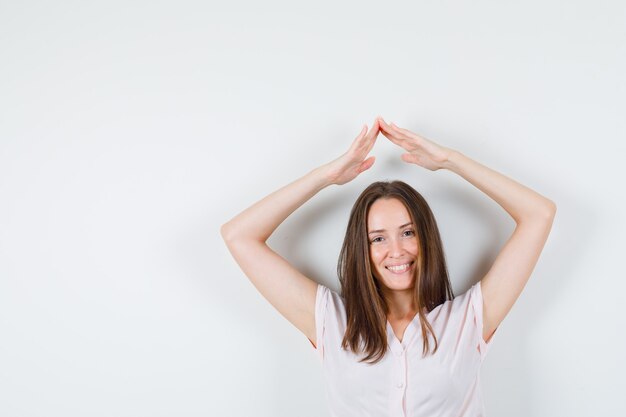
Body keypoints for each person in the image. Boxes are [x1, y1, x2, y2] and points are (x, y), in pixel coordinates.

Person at [220, 117, 556, 416]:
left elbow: (539, 214)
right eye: (378, 239)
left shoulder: (467, 321)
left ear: (426, 238)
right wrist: (326, 176)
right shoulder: (333, 323)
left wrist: (450, 161)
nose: (396, 251)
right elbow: (239, 236)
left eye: (408, 233)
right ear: (361, 251)